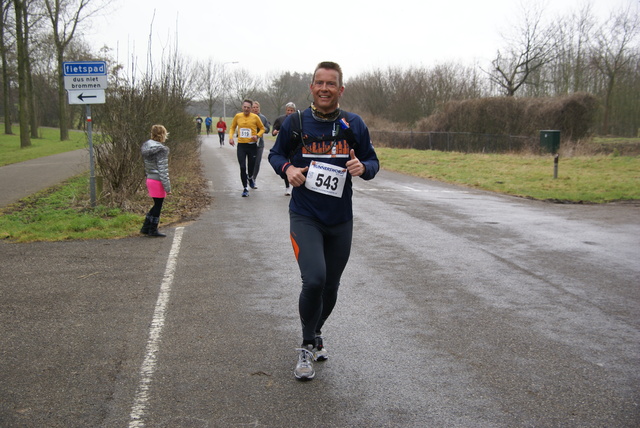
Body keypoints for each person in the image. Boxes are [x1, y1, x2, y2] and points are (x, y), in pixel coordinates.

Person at [268, 61, 379, 380]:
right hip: (306, 216)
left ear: (340, 89)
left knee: (331, 285)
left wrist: (364, 169)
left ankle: (315, 331)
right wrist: (287, 169)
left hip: (340, 219)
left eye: (331, 83)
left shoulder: (353, 123)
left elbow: (372, 160)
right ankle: (305, 345)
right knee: (314, 279)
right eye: (319, 83)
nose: (325, 88)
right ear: (312, 88)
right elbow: (275, 155)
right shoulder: (296, 122)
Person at [140, 124, 172, 237]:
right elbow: (163, 170)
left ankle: (146, 227)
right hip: (158, 180)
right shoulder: (161, 150)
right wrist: (167, 187)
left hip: (150, 179)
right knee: (158, 206)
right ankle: (153, 230)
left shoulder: (147, 146)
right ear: (163, 134)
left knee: (156, 204)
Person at [229, 99, 266, 197]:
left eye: (248, 107)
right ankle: (245, 188)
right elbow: (232, 127)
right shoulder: (238, 116)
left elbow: (262, 128)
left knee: (251, 167)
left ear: (251, 108)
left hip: (252, 146)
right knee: (242, 167)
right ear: (242, 107)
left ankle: (250, 178)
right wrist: (231, 138)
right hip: (241, 145)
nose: (246, 109)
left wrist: (257, 136)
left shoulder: (255, 117)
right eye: (244, 107)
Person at [271, 102, 297, 196]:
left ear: (294, 111)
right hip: (284, 146)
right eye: (288, 110)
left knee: (295, 165)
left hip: (295, 146)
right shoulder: (280, 119)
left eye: (291, 110)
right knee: (286, 166)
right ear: (286, 110)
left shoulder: (298, 119)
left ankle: (296, 186)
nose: (289, 112)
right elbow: (274, 129)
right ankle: (287, 187)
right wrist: (274, 132)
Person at [250, 101, 271, 188]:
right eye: (254, 107)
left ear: (259, 108)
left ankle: (253, 179)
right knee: (251, 162)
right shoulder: (248, 117)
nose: (255, 109)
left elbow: (268, 129)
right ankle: (249, 177)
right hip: (250, 142)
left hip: (260, 143)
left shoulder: (263, 118)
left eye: (257, 107)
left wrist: (262, 128)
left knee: (257, 162)